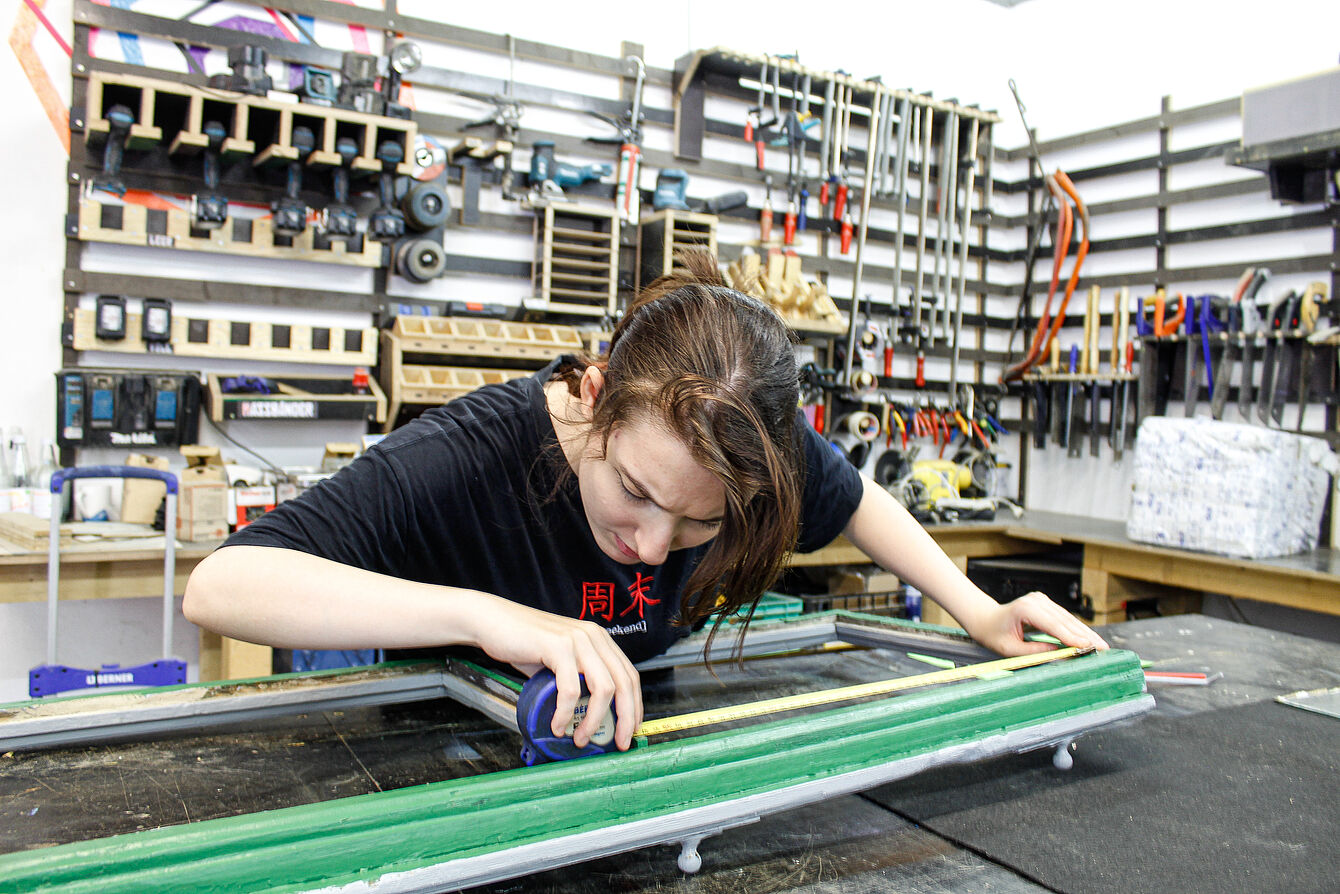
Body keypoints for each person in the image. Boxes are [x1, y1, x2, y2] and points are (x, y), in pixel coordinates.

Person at [184, 251, 1106, 756]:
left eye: (701, 523)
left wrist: (979, 611)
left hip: (635, 748)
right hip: (454, 767)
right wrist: (490, 617)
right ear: (594, 399)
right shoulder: (471, 454)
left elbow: (860, 499)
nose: (654, 547)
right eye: (632, 492)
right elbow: (224, 584)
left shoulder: (743, 446)